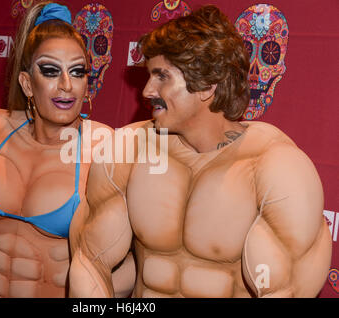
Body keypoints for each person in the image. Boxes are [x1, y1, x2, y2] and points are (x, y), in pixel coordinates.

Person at [69, 5, 332, 297]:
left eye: (162, 76)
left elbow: (283, 292)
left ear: (207, 85)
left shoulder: (276, 169)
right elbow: (89, 262)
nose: (146, 91)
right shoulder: (127, 150)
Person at [0, 1, 117, 298]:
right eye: (51, 71)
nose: (67, 85)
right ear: (27, 84)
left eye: (78, 72)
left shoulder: (103, 148)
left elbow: (126, 262)